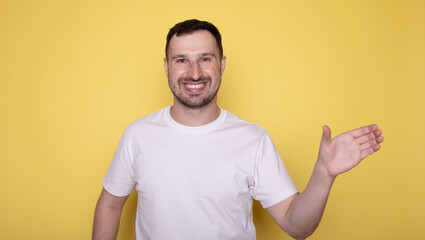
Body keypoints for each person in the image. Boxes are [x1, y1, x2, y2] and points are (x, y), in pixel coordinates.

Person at [92, 19, 384, 240]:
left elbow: (297, 227)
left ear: (222, 64)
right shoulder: (138, 135)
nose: (194, 73)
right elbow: (109, 205)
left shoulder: (253, 140)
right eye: (182, 60)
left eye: (205, 59)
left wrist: (324, 174)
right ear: (167, 67)